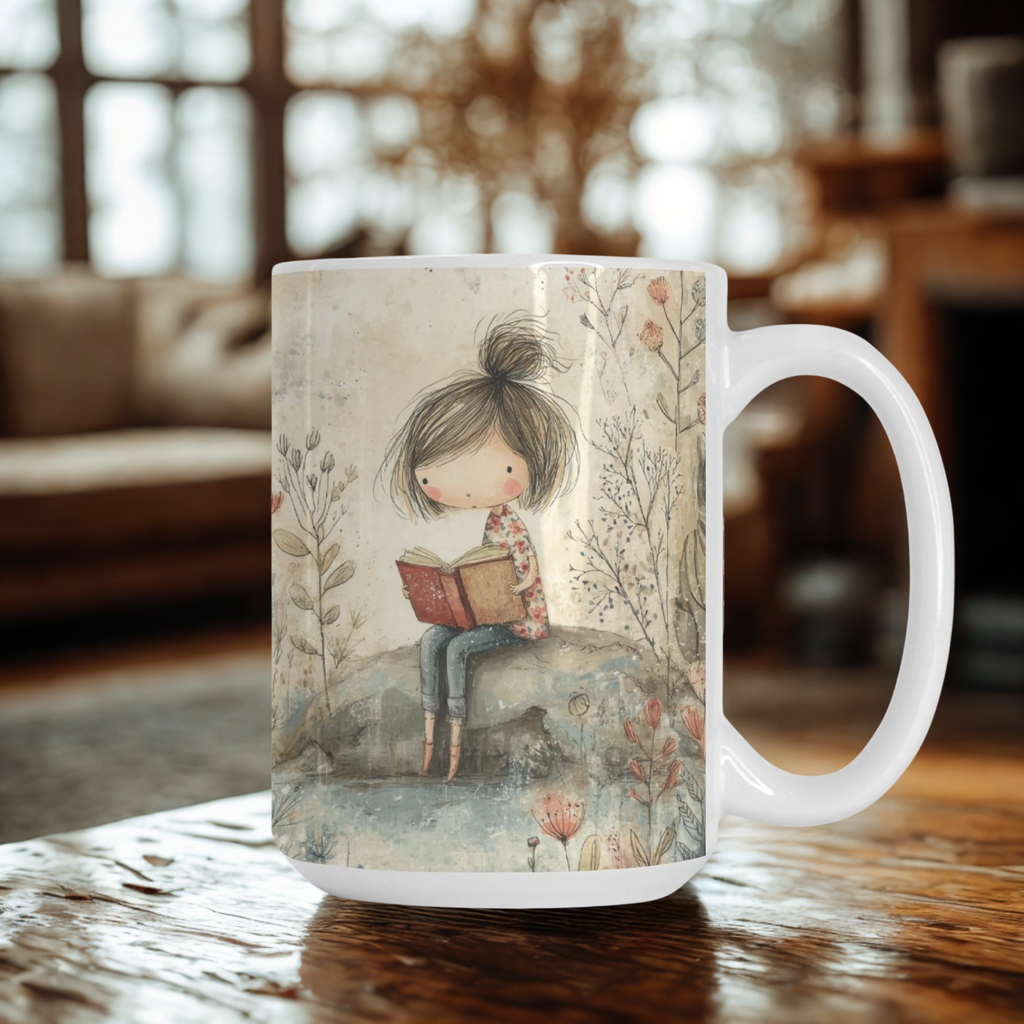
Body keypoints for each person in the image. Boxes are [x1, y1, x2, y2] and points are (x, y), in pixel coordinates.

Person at [382, 312, 578, 782]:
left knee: (458, 650)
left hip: (517, 624)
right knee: (433, 638)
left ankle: (456, 736)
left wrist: (509, 585)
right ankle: (430, 728)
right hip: (486, 616)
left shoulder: (510, 526)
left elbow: (525, 576)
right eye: (433, 473)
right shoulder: (490, 523)